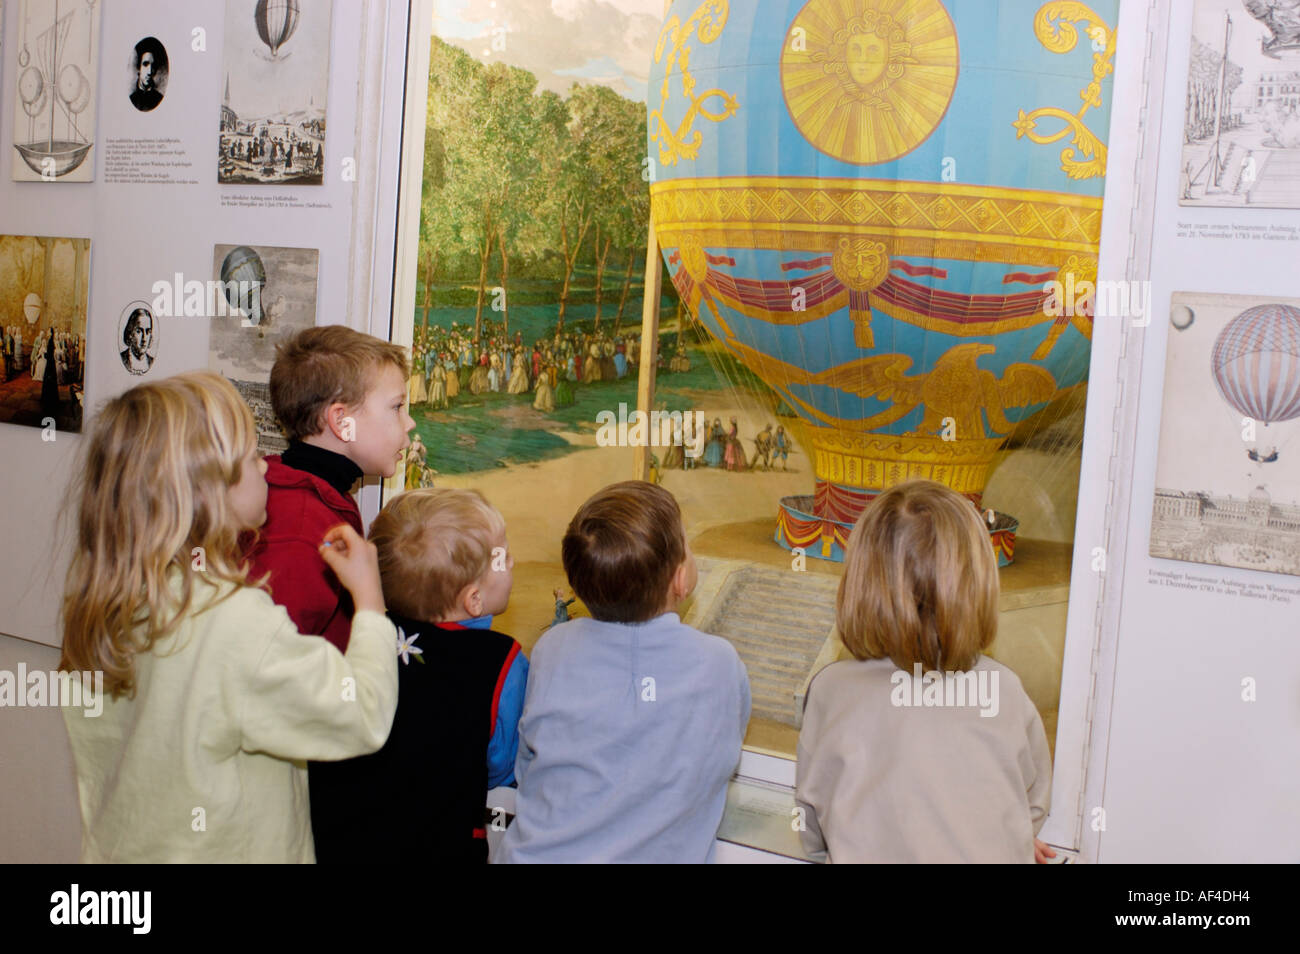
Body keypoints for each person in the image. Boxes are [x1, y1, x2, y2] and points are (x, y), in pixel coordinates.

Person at [58, 372, 399, 862]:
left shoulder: (98, 605)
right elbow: (363, 715)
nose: (264, 465)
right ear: (204, 493)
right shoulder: (233, 619)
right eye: (248, 456)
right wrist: (369, 601)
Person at [794, 480, 1054, 863]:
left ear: (860, 581)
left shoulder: (831, 691)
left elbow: (811, 830)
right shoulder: (1004, 690)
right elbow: (1030, 805)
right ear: (977, 584)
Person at [497, 481, 750, 863]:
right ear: (680, 579)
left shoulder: (553, 649)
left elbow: (531, 768)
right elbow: (719, 756)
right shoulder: (718, 663)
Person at [310, 489, 527, 864]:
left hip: (340, 840)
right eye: (502, 557)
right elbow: (503, 767)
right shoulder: (502, 661)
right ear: (473, 600)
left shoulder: (360, 633)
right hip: (440, 843)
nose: (512, 560)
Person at [247, 325, 414, 654]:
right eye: (396, 407)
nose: (408, 423)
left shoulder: (313, 496)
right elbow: (270, 665)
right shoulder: (301, 531)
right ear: (342, 422)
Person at [129, 37, 167, 112]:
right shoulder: (133, 98)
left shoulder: (158, 99)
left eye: (152, 66)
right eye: (145, 64)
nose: (149, 72)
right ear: (138, 68)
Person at [120, 307, 155, 375]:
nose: (144, 338)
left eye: (148, 332)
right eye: (139, 331)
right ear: (130, 334)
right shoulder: (123, 358)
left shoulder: (151, 361)